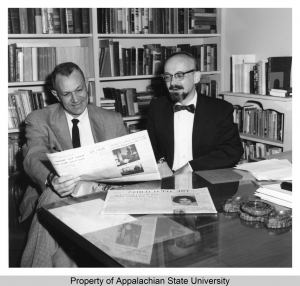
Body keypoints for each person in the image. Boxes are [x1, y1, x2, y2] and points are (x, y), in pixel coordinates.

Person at [20, 62, 127, 267]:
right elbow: (34, 155)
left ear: (87, 85)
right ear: (55, 94)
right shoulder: (39, 119)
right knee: (55, 193)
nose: (76, 99)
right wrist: (52, 179)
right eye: (67, 94)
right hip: (58, 196)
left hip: (101, 197)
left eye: (79, 90)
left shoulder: (112, 120)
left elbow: (126, 162)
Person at [147, 52, 243, 176]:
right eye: (168, 77)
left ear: (196, 77)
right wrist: (161, 163)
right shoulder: (156, 107)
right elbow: (149, 144)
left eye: (179, 75)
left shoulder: (221, 109)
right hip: (166, 177)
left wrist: (190, 167)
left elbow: (231, 151)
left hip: (204, 176)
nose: (172, 83)